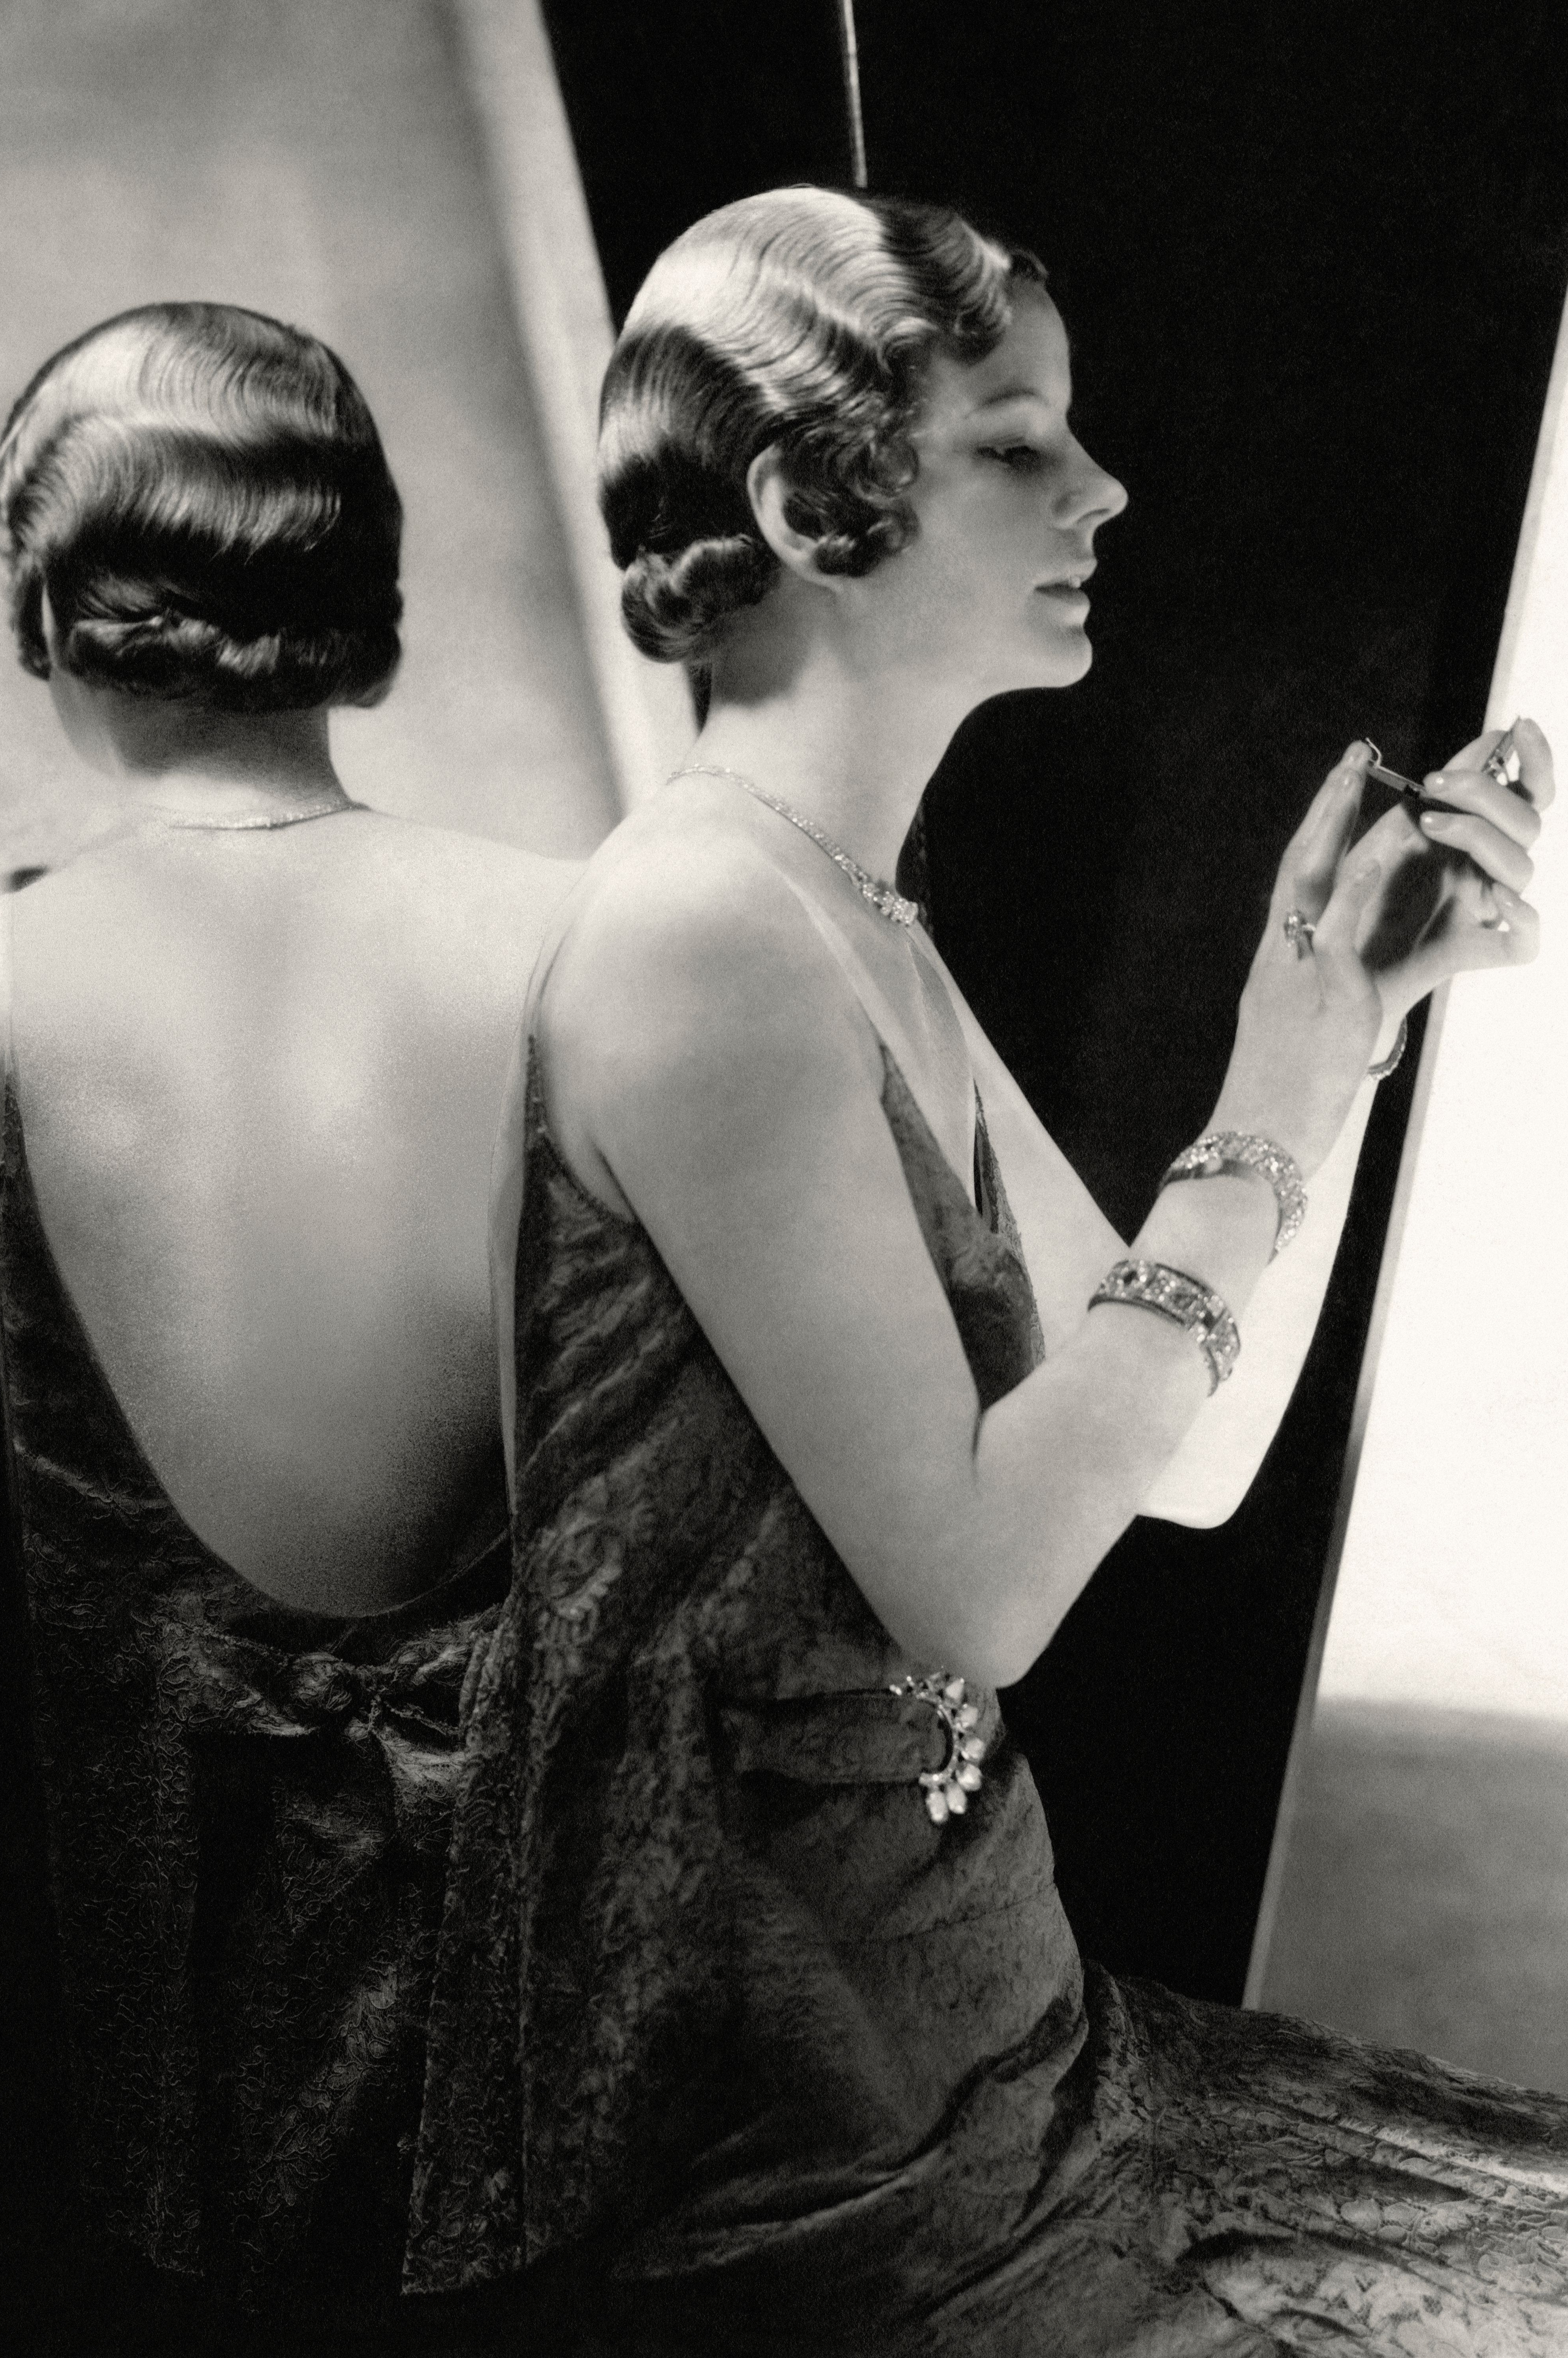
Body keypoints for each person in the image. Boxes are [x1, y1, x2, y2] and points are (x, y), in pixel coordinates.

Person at [404, 190, 1568, 2354]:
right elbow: (979, 1587)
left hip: (975, 2032)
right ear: (805, 506)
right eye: (1016, 437)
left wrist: (1332, 1023)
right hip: (818, 2149)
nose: (1102, 486)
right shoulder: (705, 944)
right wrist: (1290, 1083)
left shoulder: (841, 914)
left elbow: (1180, 1462)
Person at [0, 303, 580, 2349]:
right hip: (536, 1999)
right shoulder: (582, 945)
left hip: (97, 2023)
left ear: (41, 611)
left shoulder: (10, 980)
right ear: (365, 609)